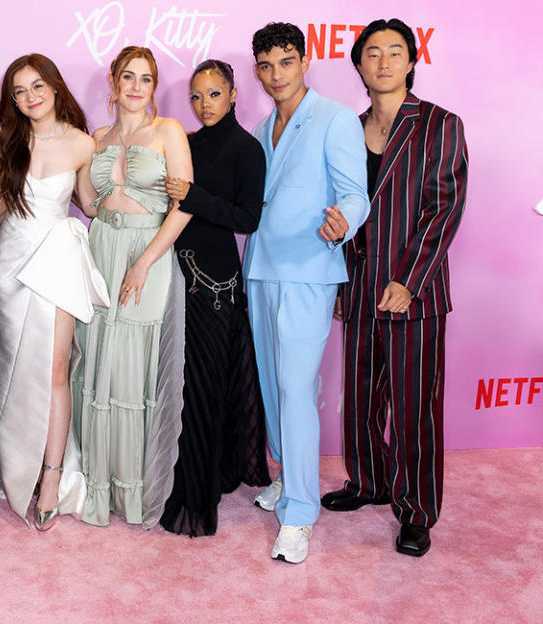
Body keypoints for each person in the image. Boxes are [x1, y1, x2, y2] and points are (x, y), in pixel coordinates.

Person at [321, 18, 468, 558]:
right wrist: (339, 268)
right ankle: (367, 483)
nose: (382, 62)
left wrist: (409, 280)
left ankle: (416, 512)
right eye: (372, 54)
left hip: (414, 291)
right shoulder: (345, 126)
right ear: (358, 64)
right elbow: (341, 206)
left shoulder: (439, 124)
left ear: (411, 60)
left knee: (414, 408)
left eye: (394, 52)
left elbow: (443, 210)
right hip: (357, 284)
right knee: (360, 400)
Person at [245, 22, 369, 563]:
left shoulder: (337, 118)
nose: (277, 75)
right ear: (258, 70)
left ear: (305, 60)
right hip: (261, 269)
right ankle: (285, 476)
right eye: (267, 66)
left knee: (296, 389)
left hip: (309, 270)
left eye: (286, 62)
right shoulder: (259, 127)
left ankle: (299, 511)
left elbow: (355, 194)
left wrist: (344, 223)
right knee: (273, 385)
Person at [0, 54, 109, 530]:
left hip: (57, 259)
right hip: (11, 265)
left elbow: (90, 205)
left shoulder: (82, 143)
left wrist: (125, 178)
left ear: (55, 87)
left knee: (56, 368)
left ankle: (52, 478)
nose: (30, 97)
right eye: (19, 91)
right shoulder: (4, 142)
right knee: (13, 367)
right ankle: (19, 463)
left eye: (37, 86)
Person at [72, 45, 192, 529]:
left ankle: (132, 490)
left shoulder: (169, 131)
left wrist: (142, 261)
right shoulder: (96, 138)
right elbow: (85, 200)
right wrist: (106, 215)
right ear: (114, 82)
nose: (136, 87)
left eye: (146, 78)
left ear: (154, 86)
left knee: (130, 369)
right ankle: (94, 483)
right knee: (97, 358)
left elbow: (183, 206)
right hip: (103, 248)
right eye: (128, 77)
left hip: (150, 253)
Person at [159, 59, 271, 537]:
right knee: (177, 388)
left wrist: (193, 196)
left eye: (214, 94)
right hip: (173, 273)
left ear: (232, 94)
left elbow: (248, 218)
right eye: (197, 96)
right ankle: (186, 477)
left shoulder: (247, 149)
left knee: (203, 388)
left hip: (216, 284)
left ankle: (196, 499)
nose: (205, 104)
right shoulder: (184, 142)